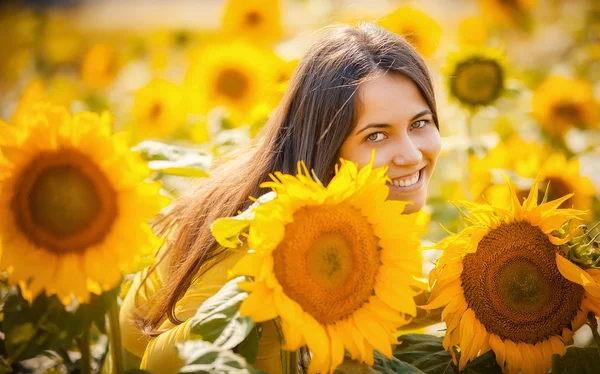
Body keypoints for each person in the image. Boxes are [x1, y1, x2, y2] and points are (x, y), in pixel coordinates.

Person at [119, 22, 441, 373]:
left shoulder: (351, 221)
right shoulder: (262, 230)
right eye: (376, 136)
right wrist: (257, 289)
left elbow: (392, 295)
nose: (410, 155)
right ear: (326, 144)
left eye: (420, 124)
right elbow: (159, 362)